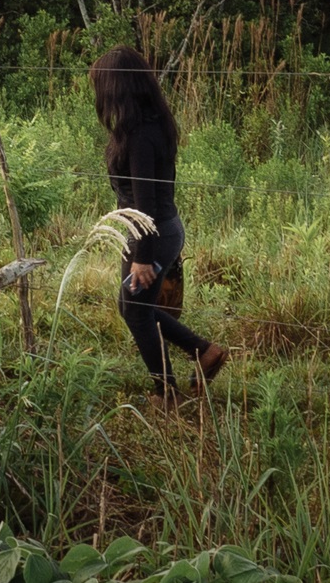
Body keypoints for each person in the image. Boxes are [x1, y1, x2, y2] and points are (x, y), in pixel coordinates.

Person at [92, 46, 226, 398]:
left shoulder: (139, 136)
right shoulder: (151, 124)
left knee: (135, 312)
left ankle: (167, 392)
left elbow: (146, 201)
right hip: (157, 229)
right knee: (134, 306)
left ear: (118, 88)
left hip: (151, 233)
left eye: (102, 86)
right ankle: (203, 352)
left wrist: (142, 255)